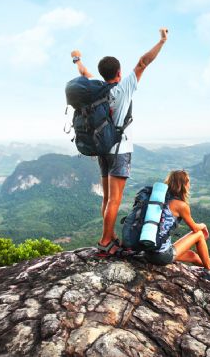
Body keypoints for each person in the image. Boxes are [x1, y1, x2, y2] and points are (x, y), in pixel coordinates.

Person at [71, 28, 168, 257]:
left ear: (102, 73)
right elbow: (143, 62)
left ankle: (109, 235)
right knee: (115, 199)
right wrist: (162, 41)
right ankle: (106, 241)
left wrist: (77, 59)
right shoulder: (124, 88)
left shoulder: (97, 89)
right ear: (119, 72)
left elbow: (84, 74)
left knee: (107, 198)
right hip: (120, 150)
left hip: (102, 149)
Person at [147, 169, 210, 279]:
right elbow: (195, 229)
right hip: (161, 255)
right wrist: (203, 225)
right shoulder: (181, 205)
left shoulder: (159, 200)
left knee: (192, 256)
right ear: (183, 185)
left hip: (148, 251)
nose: (189, 186)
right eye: (188, 183)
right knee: (199, 235)